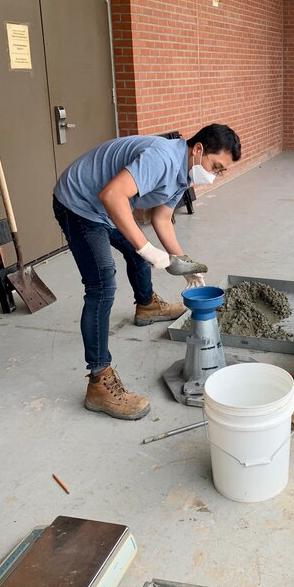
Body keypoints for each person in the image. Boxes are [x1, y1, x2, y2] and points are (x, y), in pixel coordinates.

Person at [53, 123, 241, 420]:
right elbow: (113, 195)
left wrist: (181, 263)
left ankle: (147, 306)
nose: (213, 175)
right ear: (199, 149)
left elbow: (162, 218)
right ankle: (99, 381)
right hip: (79, 202)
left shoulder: (184, 173)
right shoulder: (163, 158)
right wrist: (145, 248)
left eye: (221, 172)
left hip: (103, 202)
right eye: (215, 167)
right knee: (102, 284)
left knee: (138, 248)